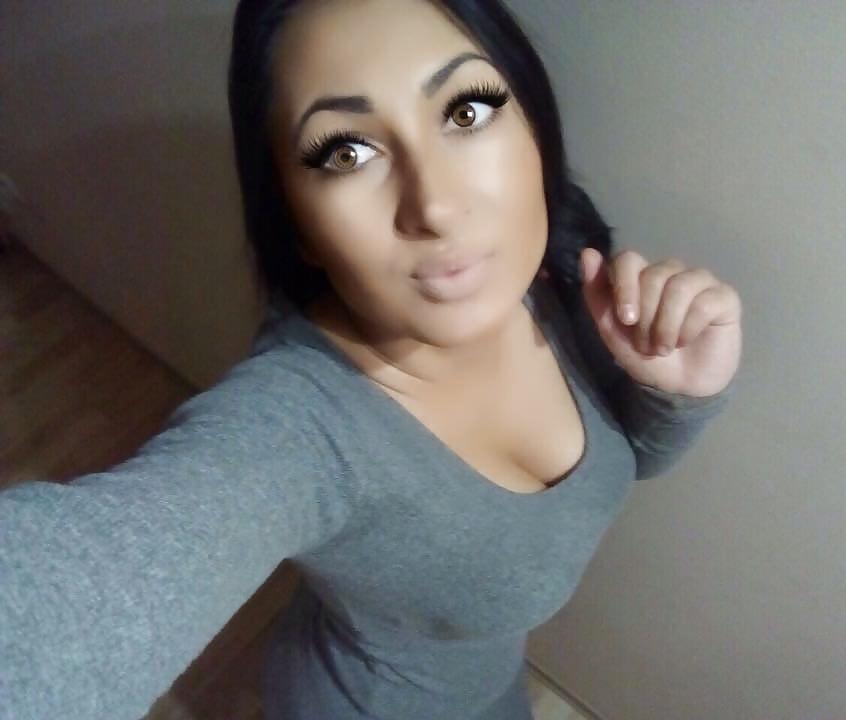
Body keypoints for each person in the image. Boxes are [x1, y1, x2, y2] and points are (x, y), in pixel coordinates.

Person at [0, 0, 743, 718]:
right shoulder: (298, 428)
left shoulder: (558, 277)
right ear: (296, 224)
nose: (436, 206)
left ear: (535, 128)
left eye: (466, 111)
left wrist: (676, 395)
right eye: (346, 152)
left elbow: (628, 458)